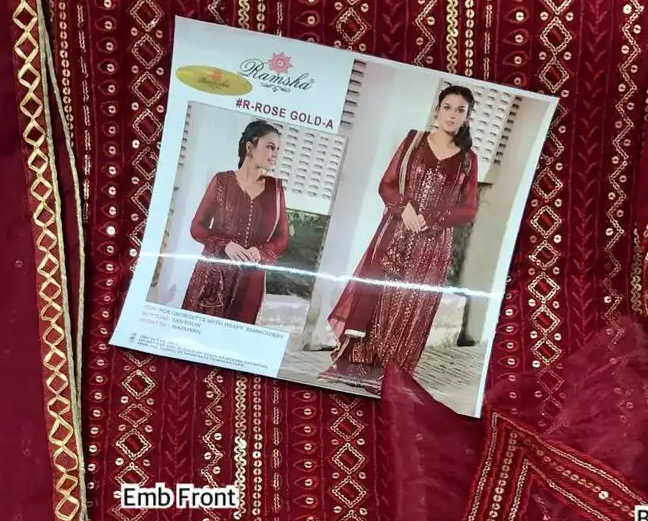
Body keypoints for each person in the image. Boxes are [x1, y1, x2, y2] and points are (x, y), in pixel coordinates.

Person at [324, 85, 480, 385]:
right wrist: (403, 207)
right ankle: (356, 366)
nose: (452, 114)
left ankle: (388, 374)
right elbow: (386, 185)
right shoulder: (413, 142)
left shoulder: (468, 160)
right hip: (395, 234)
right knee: (379, 296)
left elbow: (469, 209)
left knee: (409, 305)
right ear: (437, 110)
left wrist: (433, 218)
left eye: (460, 110)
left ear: (467, 117)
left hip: (431, 247)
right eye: (447, 107)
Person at [181, 119, 289, 323]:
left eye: (277, 149)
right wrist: (225, 245)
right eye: (269, 147)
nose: (275, 154)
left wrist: (262, 251)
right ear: (249, 147)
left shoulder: (276, 190)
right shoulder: (222, 181)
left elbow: (282, 238)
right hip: (213, 277)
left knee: (235, 334)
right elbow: (197, 227)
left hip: (251, 281)